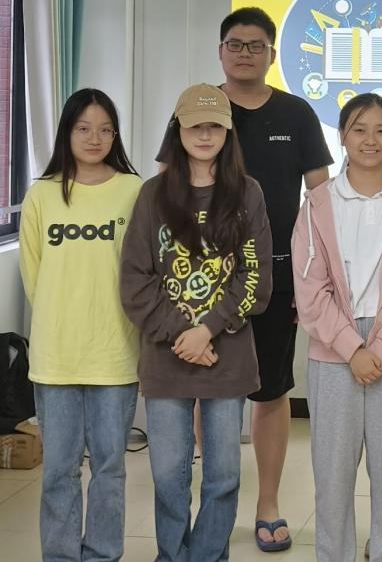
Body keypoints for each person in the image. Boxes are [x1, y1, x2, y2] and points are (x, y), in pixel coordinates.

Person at [121, 83, 273, 562]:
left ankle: (206, 556)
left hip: (226, 356)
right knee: (168, 475)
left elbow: (255, 279)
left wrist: (206, 330)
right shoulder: (152, 195)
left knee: (223, 474)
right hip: (166, 359)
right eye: (195, 126)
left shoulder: (247, 193)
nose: (205, 135)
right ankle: (172, 555)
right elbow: (135, 281)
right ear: (178, 131)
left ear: (228, 133)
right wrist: (180, 334)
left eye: (214, 127)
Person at [291, 93, 382, 562]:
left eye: (381, 130)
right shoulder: (317, 203)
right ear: (342, 137)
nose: (370, 140)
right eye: (359, 129)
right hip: (333, 348)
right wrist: (352, 348)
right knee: (332, 474)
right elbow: (309, 287)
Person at [217, 7, 333, 552]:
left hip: (278, 277)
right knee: (212, 395)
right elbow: (172, 190)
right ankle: (216, 502)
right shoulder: (200, 107)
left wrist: (313, 277)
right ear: (221, 51)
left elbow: (321, 198)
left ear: (271, 53)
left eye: (255, 45)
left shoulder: (296, 113)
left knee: (271, 391)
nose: (245, 53)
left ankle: (268, 504)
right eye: (235, 44)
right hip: (208, 280)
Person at [19, 88, 143, 562]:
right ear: (66, 133)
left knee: (110, 468)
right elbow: (33, 274)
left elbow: (144, 268)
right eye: (84, 128)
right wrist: (62, 317)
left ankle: (103, 554)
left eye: (105, 129)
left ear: (116, 135)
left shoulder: (133, 191)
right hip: (56, 355)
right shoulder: (42, 194)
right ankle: (61, 555)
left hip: (115, 352)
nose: (95, 138)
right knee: (59, 470)